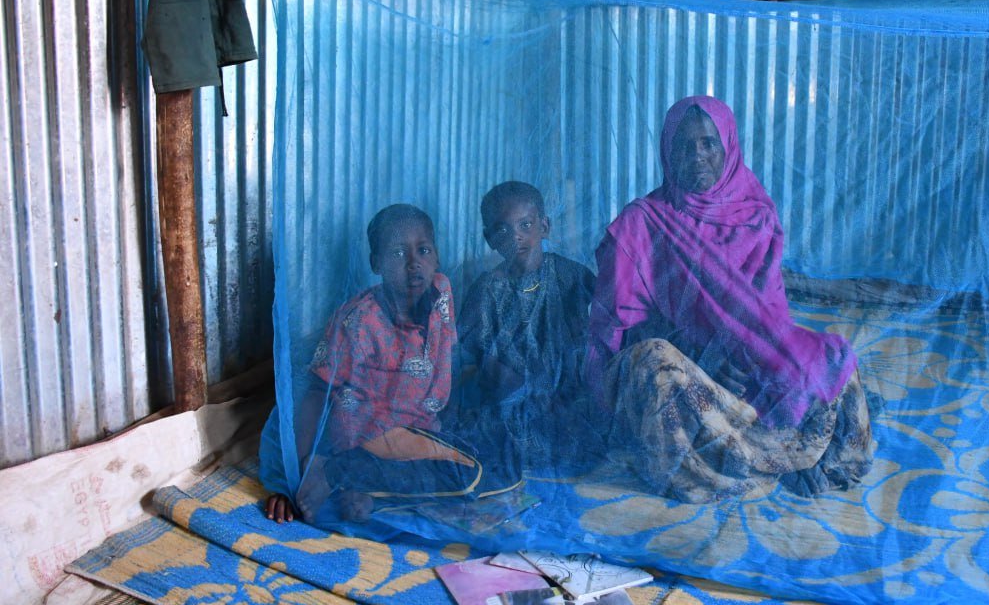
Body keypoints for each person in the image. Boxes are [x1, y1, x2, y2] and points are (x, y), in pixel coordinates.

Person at [586, 95, 874, 503]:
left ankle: (796, 455)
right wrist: (701, 353)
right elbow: (615, 334)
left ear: (729, 147)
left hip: (744, 372)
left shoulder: (755, 215)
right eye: (684, 146)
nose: (697, 156)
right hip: (689, 373)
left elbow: (768, 321)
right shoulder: (642, 223)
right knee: (654, 362)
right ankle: (735, 470)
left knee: (830, 358)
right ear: (667, 152)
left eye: (708, 143)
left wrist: (754, 366)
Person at [263, 204, 520, 523]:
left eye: (423, 250)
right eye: (398, 254)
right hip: (371, 440)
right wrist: (305, 467)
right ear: (376, 264)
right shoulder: (360, 320)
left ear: (437, 257)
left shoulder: (441, 292)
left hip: (421, 428)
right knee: (475, 477)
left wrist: (453, 415)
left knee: (509, 451)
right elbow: (316, 391)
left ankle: (366, 488)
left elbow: (445, 361)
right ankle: (338, 474)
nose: (414, 264)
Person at [456, 181, 595, 469]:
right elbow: (474, 357)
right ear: (489, 238)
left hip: (566, 398)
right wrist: (517, 386)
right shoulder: (485, 290)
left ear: (544, 226)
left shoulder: (571, 276)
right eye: (503, 230)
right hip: (510, 400)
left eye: (526, 225)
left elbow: (597, 332)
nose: (516, 236)